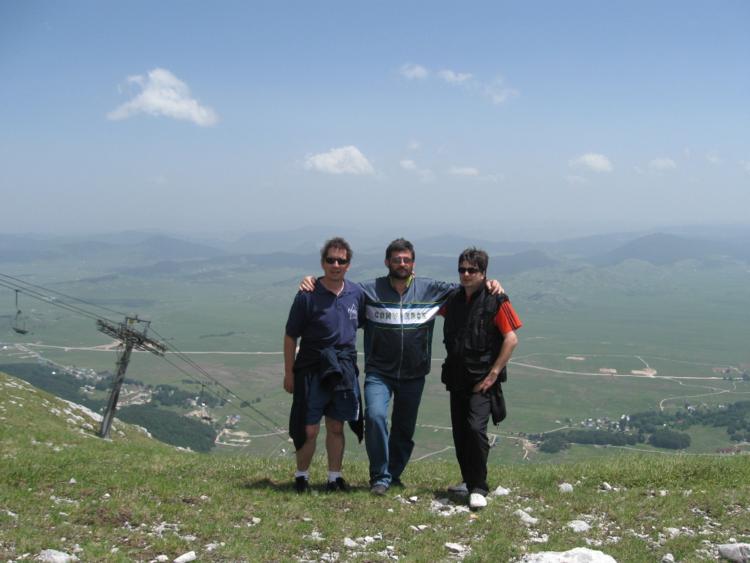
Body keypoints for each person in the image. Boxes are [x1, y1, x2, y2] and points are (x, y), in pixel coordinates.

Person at [301, 238, 503, 495]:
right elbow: (341, 289)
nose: (402, 264)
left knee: (404, 429)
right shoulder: (368, 290)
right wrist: (313, 281)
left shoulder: (430, 289)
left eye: (406, 260)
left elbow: (468, 286)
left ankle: (393, 474)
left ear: (413, 263)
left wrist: (490, 283)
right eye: (396, 260)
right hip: (379, 371)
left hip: (414, 373)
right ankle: (380, 477)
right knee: (375, 417)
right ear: (387, 262)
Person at [441, 248, 521, 509]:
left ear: (483, 272)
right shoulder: (453, 299)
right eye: (462, 269)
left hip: (483, 380)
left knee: (476, 430)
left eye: (472, 270)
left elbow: (511, 339)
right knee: (460, 432)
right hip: (456, 377)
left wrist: (494, 373)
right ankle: (467, 480)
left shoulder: (496, 300)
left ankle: (478, 487)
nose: (465, 274)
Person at [284, 237, 364, 493]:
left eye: (341, 261)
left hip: (342, 369)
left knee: (336, 426)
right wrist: (289, 373)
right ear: (322, 263)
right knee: (308, 428)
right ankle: (301, 477)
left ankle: (334, 478)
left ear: (348, 265)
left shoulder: (356, 293)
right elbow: (290, 336)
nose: (335, 265)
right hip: (312, 368)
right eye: (330, 260)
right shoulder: (307, 295)